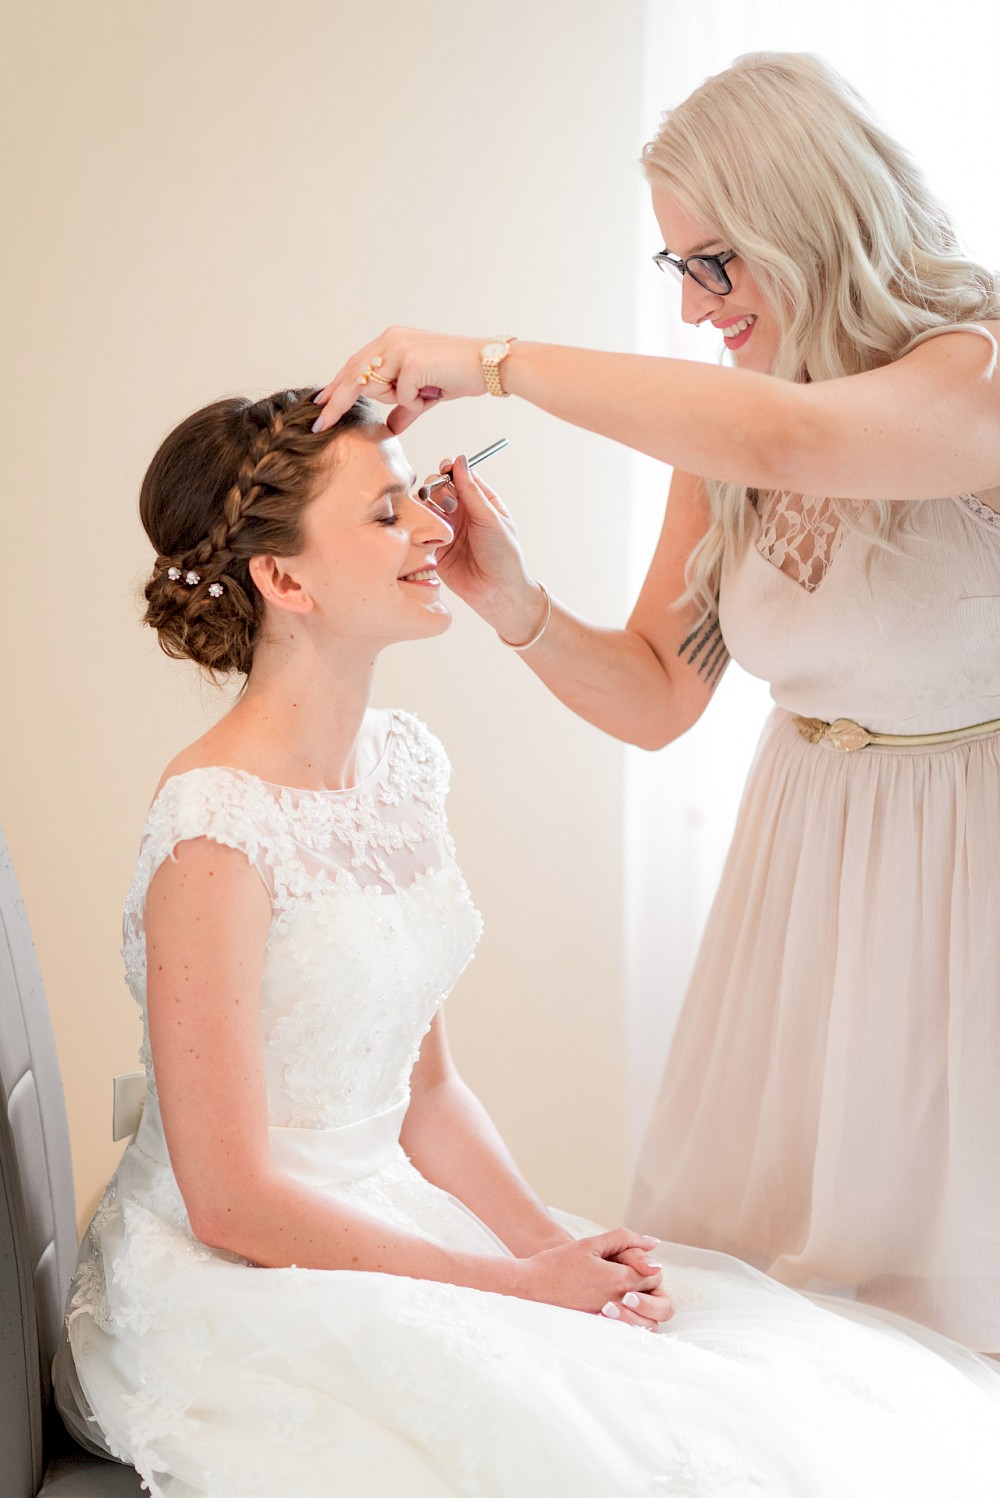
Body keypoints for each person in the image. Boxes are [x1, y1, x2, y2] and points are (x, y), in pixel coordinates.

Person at [54, 383, 1000, 1496]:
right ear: (283, 579)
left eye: (420, 494)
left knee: (755, 1390)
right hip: (236, 1273)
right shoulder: (213, 824)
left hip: (391, 1220)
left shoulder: (402, 764)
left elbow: (430, 1094)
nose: (433, 527)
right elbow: (229, 1199)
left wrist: (550, 1249)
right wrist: (507, 1287)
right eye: (385, 513)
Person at [312, 50, 1000, 1355]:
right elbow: (656, 697)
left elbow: (792, 441)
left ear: (815, 215)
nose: (695, 310)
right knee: (758, 1327)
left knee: (958, 1325)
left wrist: (492, 360)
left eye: (713, 265)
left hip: (972, 880)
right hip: (805, 885)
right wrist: (514, 602)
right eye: (674, 270)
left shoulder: (975, 374)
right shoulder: (733, 434)